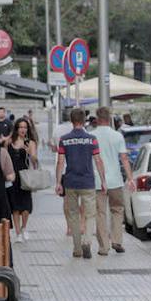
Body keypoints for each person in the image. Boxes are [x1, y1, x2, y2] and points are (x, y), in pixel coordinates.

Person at [56, 107, 107, 259]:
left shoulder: (64, 139)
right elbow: (98, 160)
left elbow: (60, 162)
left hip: (70, 182)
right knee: (90, 214)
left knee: (73, 215)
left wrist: (58, 182)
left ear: (72, 121)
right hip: (88, 182)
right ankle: (87, 241)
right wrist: (103, 181)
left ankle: (77, 248)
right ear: (84, 121)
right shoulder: (92, 139)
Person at [92, 106, 133, 255]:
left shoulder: (91, 136)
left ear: (97, 119)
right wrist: (130, 178)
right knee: (117, 210)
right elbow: (124, 158)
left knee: (100, 213)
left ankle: (103, 246)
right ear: (109, 119)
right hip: (115, 180)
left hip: (97, 181)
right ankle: (117, 240)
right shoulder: (117, 136)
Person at [2, 117, 38, 242]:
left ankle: (24, 227)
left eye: (25, 127)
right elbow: (4, 159)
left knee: (26, 206)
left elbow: (34, 162)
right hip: (12, 176)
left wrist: (30, 153)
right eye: (20, 127)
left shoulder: (30, 143)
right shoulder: (9, 142)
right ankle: (17, 233)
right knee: (15, 207)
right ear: (16, 128)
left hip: (25, 177)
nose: (23, 129)